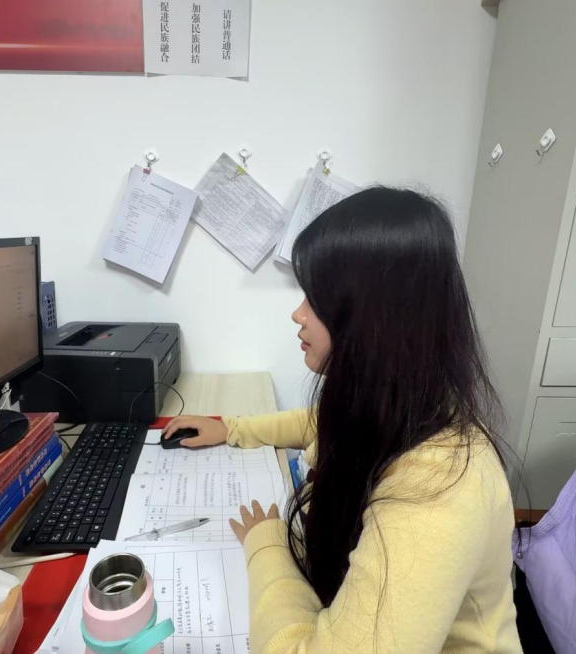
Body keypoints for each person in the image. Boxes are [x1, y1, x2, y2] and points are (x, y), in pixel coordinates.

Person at [163, 187, 522, 653]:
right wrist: (232, 429)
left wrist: (266, 543)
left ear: (376, 316)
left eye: (316, 299)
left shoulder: (439, 489)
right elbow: (317, 422)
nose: (298, 314)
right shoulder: (403, 404)